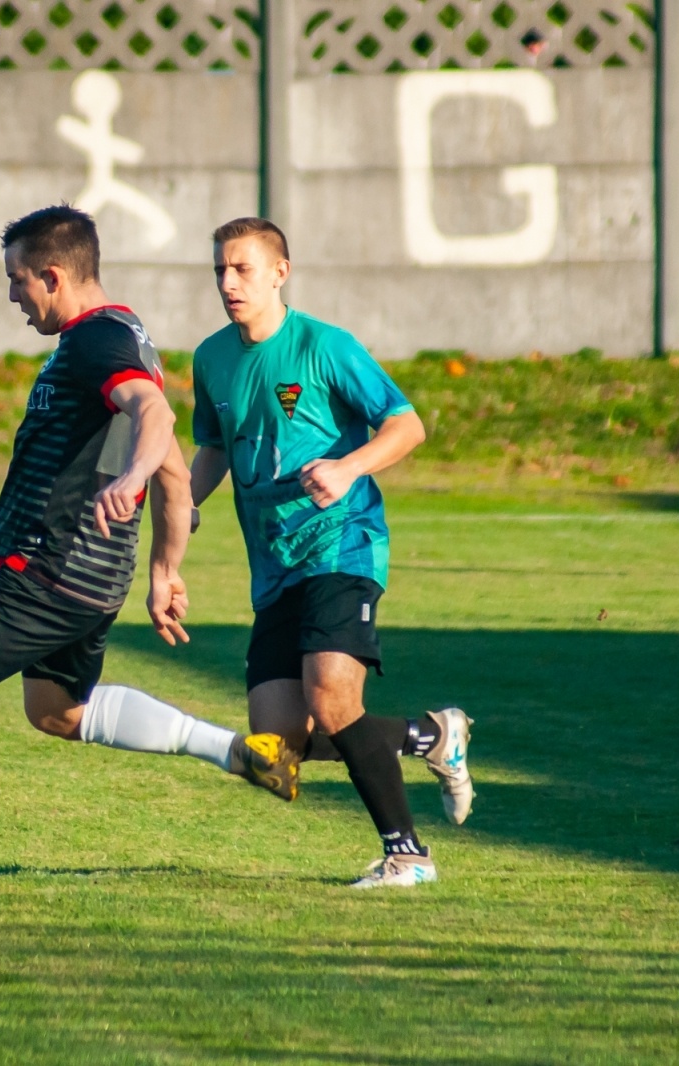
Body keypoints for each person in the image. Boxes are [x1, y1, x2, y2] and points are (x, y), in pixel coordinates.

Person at [0, 205, 299, 930]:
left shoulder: (97, 341)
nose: (12, 296)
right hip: (93, 584)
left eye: (17, 281)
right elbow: (172, 474)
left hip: (43, 577)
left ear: (53, 275)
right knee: (57, 713)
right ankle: (234, 750)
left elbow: (154, 420)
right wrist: (165, 567)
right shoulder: (127, 336)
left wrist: (124, 480)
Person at [187, 217, 474, 889]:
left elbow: (407, 424)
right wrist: (184, 500)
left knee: (333, 697)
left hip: (343, 546)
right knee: (276, 752)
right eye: (220, 271)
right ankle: (429, 736)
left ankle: (408, 854)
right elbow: (216, 446)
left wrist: (347, 469)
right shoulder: (212, 359)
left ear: (280, 272)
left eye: (243, 269)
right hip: (274, 567)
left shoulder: (325, 347)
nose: (229, 283)